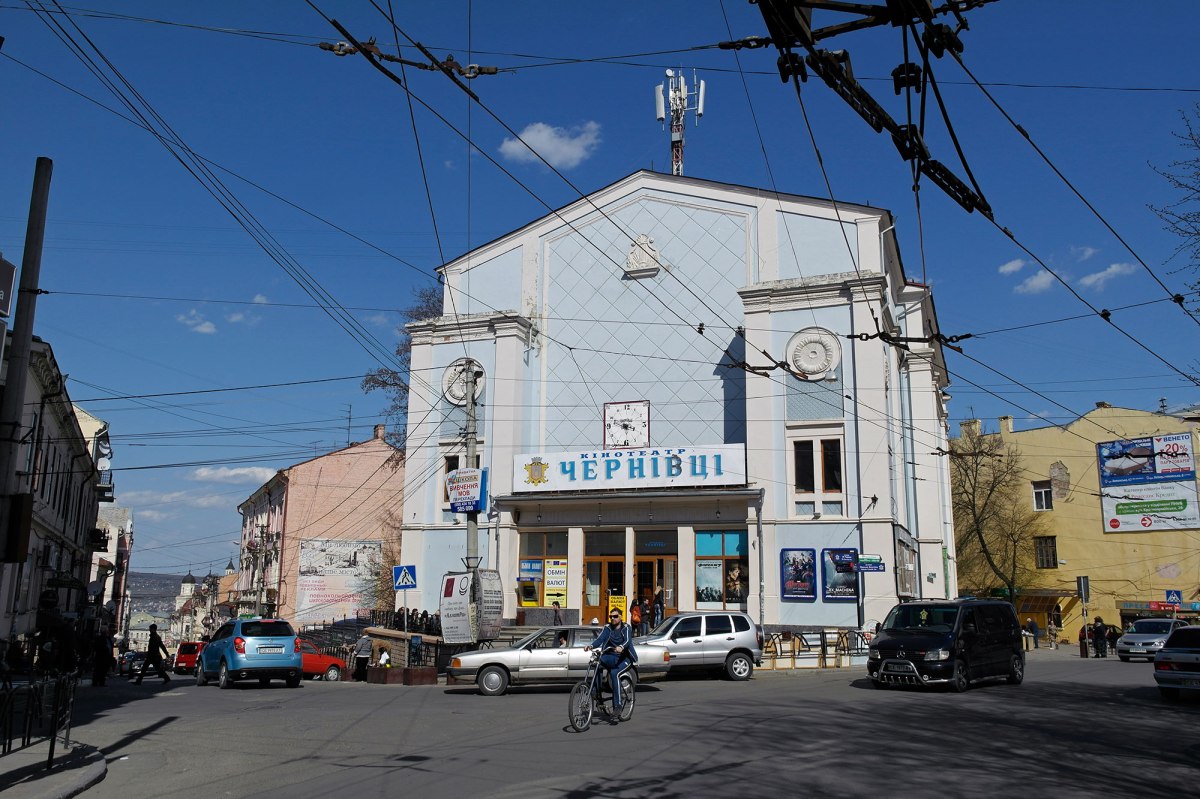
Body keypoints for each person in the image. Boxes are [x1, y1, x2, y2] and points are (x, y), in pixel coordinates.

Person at [587, 609, 637, 723]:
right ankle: (596, 692)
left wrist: (621, 647)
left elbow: (627, 641)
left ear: (621, 617)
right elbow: (600, 639)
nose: (613, 619)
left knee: (614, 673)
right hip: (611, 656)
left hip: (625, 658)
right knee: (597, 663)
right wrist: (591, 646)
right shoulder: (608, 628)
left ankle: (617, 706)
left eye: (615, 616)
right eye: (611, 617)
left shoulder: (626, 628)